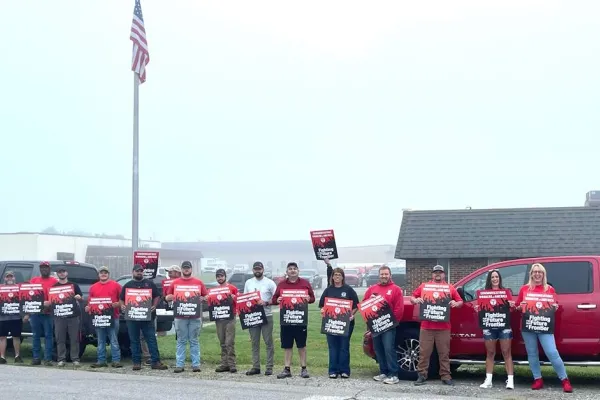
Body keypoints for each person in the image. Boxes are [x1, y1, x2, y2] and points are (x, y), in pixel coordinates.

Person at [516, 263, 572, 393]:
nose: (537, 274)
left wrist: (555, 307)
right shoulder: (524, 289)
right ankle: (538, 379)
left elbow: (554, 305)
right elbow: (518, 306)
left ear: (543, 274)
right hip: (528, 326)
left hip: (544, 325)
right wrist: (520, 306)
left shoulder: (549, 289)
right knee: (532, 353)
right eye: (534, 272)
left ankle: (564, 379)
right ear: (531, 274)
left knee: (552, 352)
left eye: (539, 272)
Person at [411, 265, 463, 386]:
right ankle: (422, 375)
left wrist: (456, 303)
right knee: (424, 352)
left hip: (443, 327)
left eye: (440, 272)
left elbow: (460, 302)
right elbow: (413, 297)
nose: (437, 274)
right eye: (435, 272)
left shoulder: (449, 288)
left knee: (444, 353)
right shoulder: (424, 286)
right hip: (426, 326)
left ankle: (445, 375)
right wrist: (416, 300)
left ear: (444, 274)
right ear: (432, 274)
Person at [120, 264, 168, 371]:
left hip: (147, 317)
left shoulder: (149, 284)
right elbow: (121, 298)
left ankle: (156, 361)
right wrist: (122, 305)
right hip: (132, 318)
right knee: (134, 340)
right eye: (137, 271)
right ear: (133, 272)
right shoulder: (127, 285)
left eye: (141, 271)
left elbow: (157, 296)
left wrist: (154, 305)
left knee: (151, 339)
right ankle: (136, 362)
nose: (139, 272)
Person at [272, 262, 316, 379]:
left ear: (298, 271)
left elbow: (312, 298)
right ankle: (287, 369)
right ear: (287, 271)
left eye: (294, 269)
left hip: (300, 319)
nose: (292, 271)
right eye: (290, 269)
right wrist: (278, 300)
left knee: (301, 345)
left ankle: (304, 368)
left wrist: (308, 299)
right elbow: (274, 299)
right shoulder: (281, 284)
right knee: (287, 345)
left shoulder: (305, 283)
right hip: (286, 319)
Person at [473, 269, 515, 389]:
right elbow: (482, 309)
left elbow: (510, 310)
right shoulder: (484, 294)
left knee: (506, 352)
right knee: (490, 353)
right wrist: (478, 309)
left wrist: (512, 306)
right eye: (492, 277)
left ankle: (510, 380)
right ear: (489, 280)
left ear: (500, 279)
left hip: (504, 326)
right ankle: (488, 380)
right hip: (489, 326)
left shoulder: (506, 293)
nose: (495, 279)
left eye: (497, 277)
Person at [364, 265, 404, 385]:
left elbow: (399, 309)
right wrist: (369, 300)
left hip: (389, 326)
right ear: (379, 275)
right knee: (378, 349)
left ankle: (393, 374)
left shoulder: (396, 289)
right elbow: (364, 306)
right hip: (375, 325)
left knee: (388, 349)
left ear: (390, 275)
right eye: (382, 274)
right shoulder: (372, 289)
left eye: (386, 274)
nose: (384, 276)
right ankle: (383, 372)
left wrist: (392, 323)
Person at [165, 260, 207, 373]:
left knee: (194, 340)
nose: (186, 269)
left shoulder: (198, 282)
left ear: (191, 269)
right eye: (184, 268)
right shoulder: (175, 283)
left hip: (195, 315)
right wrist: (173, 296)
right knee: (181, 340)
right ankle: (179, 365)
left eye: (188, 268)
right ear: (182, 269)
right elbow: (167, 297)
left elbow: (206, 296)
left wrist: (203, 298)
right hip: (180, 315)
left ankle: (196, 364)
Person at [318, 267, 359, 378]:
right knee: (333, 347)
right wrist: (322, 310)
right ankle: (333, 370)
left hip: (346, 324)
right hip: (331, 324)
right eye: (335, 275)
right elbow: (322, 305)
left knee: (344, 346)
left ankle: (344, 370)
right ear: (332, 277)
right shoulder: (328, 290)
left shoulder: (348, 289)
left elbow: (356, 305)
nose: (337, 277)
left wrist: (352, 314)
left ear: (342, 277)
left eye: (339, 275)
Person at [243, 261, 277, 376]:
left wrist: (266, 302)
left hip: (266, 315)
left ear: (263, 270)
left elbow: (277, 299)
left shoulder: (270, 283)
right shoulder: (248, 282)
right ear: (253, 270)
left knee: (268, 342)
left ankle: (269, 367)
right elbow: (245, 298)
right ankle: (256, 366)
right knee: (254, 342)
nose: (258, 271)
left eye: (259, 269)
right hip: (253, 316)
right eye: (255, 269)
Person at [86, 266, 123, 368]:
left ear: (108, 274)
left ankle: (116, 360)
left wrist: (118, 304)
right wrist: (88, 307)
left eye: (105, 272)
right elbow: (90, 302)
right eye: (101, 272)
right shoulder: (93, 287)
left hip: (113, 316)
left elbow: (123, 299)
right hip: (99, 318)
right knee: (100, 340)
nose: (103, 274)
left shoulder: (116, 285)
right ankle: (101, 360)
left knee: (114, 339)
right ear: (98, 275)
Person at [51, 266, 84, 368]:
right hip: (59, 317)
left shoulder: (74, 285)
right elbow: (52, 301)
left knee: (74, 339)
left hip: (73, 316)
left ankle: (75, 359)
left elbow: (81, 299)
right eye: (59, 272)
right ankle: (61, 359)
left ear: (67, 273)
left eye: (63, 272)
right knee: (60, 338)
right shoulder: (54, 287)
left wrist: (79, 297)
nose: (61, 273)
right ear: (57, 274)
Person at [26, 261, 58, 366]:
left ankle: (47, 359)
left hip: (48, 313)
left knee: (48, 336)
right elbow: (28, 296)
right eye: (42, 267)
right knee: (35, 336)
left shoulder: (54, 281)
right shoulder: (34, 281)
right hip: (35, 313)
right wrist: (27, 312)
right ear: (40, 269)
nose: (44, 269)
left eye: (46, 267)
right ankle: (36, 358)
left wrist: (50, 303)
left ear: (49, 269)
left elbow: (58, 297)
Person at [214, 268, 238, 373]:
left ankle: (232, 364)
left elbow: (239, 300)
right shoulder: (214, 290)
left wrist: (234, 298)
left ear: (225, 276)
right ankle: (224, 364)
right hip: (219, 318)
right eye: (218, 276)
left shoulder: (232, 288)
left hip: (230, 318)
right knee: (222, 341)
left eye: (221, 276)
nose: (220, 278)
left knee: (229, 341)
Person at [0, 271, 23, 364]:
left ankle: (17, 356)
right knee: (2, 337)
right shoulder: (0, 288)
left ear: (14, 278)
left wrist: (25, 314)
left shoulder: (19, 288)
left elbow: (24, 300)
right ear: (4, 278)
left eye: (11, 277)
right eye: (7, 277)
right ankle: (2, 357)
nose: (9, 279)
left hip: (16, 317)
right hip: (2, 317)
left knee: (16, 337)